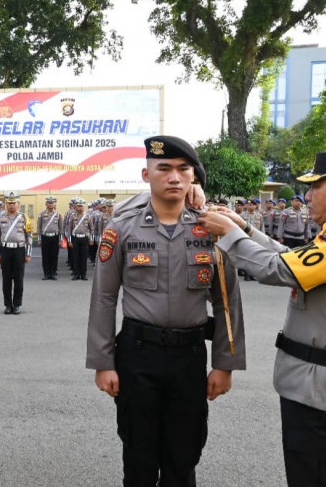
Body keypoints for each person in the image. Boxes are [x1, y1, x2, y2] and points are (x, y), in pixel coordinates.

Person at [87, 135, 246, 486]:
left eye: (183, 169)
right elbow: (103, 298)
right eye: (164, 169)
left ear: (194, 177)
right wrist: (103, 362)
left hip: (189, 358)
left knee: (183, 457)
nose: (174, 177)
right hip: (137, 355)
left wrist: (225, 363)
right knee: (139, 457)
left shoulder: (212, 230)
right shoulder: (122, 228)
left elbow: (226, 299)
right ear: (147, 175)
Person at [199, 151, 326, 487]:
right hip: (320, 388)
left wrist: (229, 236)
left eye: (315, 187)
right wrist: (245, 229)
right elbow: (296, 259)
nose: (307, 196)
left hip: (322, 394)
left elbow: (276, 269)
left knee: (318, 476)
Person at [0, 192, 32, 314]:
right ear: (6, 204)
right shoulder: (0, 218)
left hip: (19, 250)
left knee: (18, 279)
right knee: (6, 279)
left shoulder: (24, 217)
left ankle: (16, 304)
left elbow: (29, 236)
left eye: (13, 203)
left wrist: (28, 253)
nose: (11, 206)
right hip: (5, 251)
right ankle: (7, 305)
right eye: (9, 203)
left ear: (18, 204)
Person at [36, 196, 62, 280]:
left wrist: (60, 240)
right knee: (45, 256)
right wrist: (39, 239)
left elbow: (61, 228)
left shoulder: (58, 214)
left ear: (55, 204)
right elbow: (39, 228)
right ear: (46, 204)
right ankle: (46, 274)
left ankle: (53, 273)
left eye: (52, 203)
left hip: (55, 237)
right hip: (45, 237)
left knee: (54, 256)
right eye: (49, 203)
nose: (51, 204)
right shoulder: (42, 214)